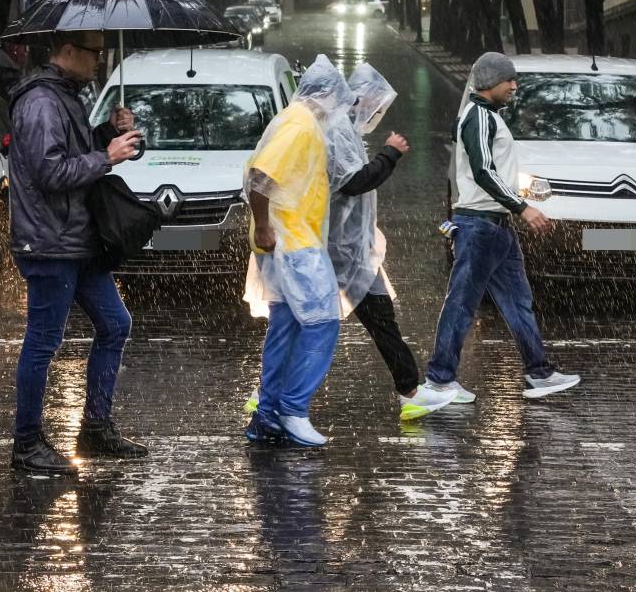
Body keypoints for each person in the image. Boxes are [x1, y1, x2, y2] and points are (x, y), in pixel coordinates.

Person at [244, 63, 456, 421]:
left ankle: (268, 396)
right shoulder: (332, 128)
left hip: (339, 243)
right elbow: (352, 182)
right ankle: (407, 393)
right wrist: (390, 153)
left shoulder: (333, 126)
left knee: (305, 321)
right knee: (348, 320)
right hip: (337, 246)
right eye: (374, 104)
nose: (375, 113)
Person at [6, 29, 146, 474]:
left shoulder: (64, 96)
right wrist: (107, 156)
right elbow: (50, 172)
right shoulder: (41, 102)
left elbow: (72, 150)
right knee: (43, 341)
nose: (99, 62)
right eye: (94, 54)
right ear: (68, 52)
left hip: (75, 238)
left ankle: (96, 426)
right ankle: (26, 442)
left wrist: (108, 132)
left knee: (114, 323)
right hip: (49, 241)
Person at [425, 52, 581, 402]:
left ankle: (538, 372)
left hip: (495, 226)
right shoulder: (479, 117)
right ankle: (438, 380)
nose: (514, 85)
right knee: (462, 304)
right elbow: (483, 171)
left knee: (517, 302)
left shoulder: (487, 115)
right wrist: (522, 207)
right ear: (488, 83)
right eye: (508, 80)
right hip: (480, 224)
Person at [243, 55, 352, 447]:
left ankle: (267, 415)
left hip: (286, 239)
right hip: (293, 242)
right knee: (323, 323)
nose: (337, 113)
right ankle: (292, 409)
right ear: (323, 96)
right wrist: (265, 225)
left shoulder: (294, 120)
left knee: (286, 324)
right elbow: (260, 179)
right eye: (337, 103)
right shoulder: (302, 126)